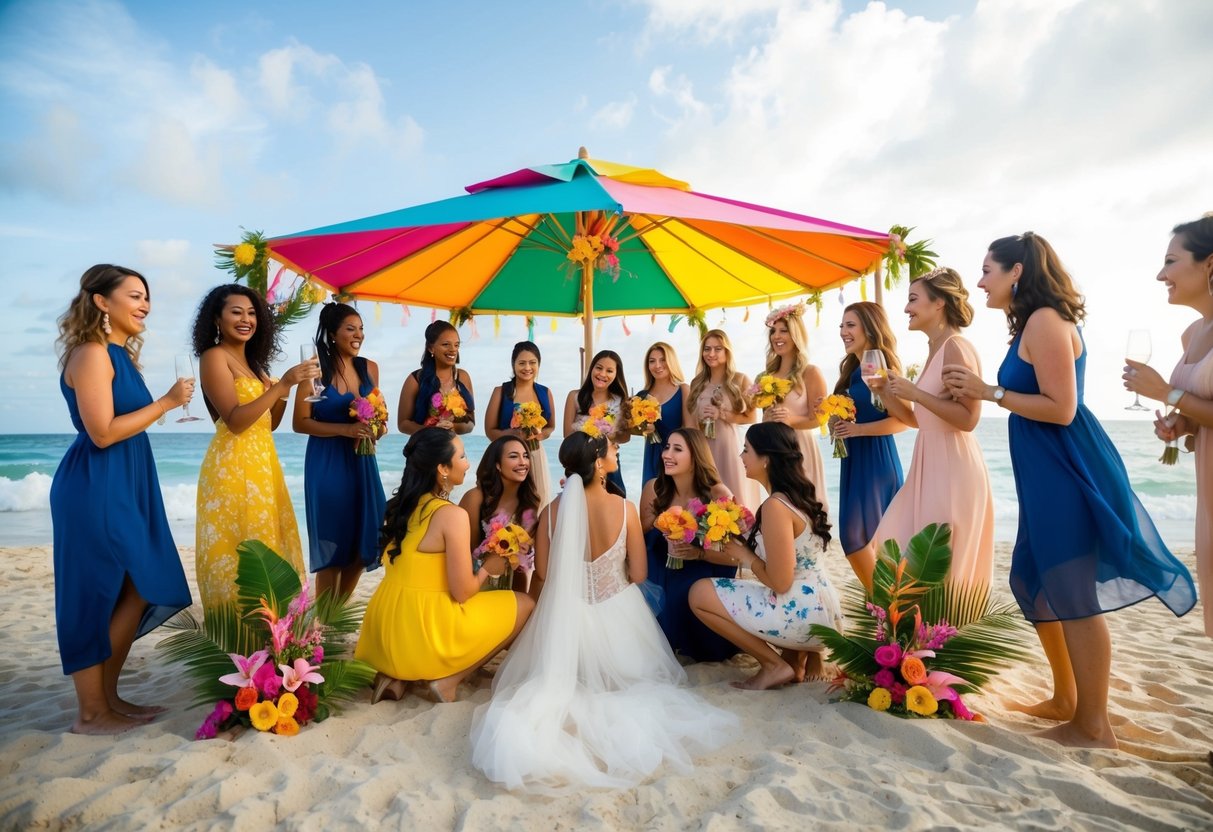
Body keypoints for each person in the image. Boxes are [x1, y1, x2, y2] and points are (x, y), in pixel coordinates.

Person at [943, 231, 1196, 749]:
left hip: (1066, 466)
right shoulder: (1030, 324)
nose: (980, 281)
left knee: (1073, 590)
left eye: (988, 270)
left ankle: (1093, 726)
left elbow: (1062, 408)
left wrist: (988, 392)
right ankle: (1065, 699)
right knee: (1034, 579)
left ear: (1017, 272)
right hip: (1043, 469)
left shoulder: (1046, 320)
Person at [469, 433, 737, 793]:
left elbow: (545, 573)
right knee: (638, 686)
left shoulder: (550, 512)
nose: (615, 453)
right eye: (610, 450)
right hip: (620, 620)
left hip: (568, 624)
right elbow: (640, 574)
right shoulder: (623, 507)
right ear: (597, 463)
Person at [51, 264, 193, 734]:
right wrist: (168, 404)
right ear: (101, 302)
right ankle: (91, 713)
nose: (145, 304)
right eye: (134, 295)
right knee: (93, 593)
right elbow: (102, 432)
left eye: (146, 297)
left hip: (128, 483)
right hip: (96, 485)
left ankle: (107, 698)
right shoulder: (91, 353)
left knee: (138, 584)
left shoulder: (119, 355)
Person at [356, 428, 534, 704]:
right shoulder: (452, 515)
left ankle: (395, 676)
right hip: (426, 630)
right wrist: (490, 566)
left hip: (384, 628)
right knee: (525, 604)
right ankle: (449, 681)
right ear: (442, 468)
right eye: (462, 456)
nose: (467, 463)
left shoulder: (405, 505)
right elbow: (462, 591)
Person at [865, 268, 995, 593]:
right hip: (929, 465)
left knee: (938, 571)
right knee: (894, 540)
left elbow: (968, 418)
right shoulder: (934, 349)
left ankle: (937, 639)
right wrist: (884, 391)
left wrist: (916, 393)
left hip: (952, 470)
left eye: (913, 299)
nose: (907, 308)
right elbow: (917, 420)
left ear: (938, 303)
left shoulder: (956, 347)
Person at [191, 284, 317, 613]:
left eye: (251, 313)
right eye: (236, 312)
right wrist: (283, 385)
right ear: (217, 319)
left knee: (268, 550)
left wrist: (288, 390)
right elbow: (234, 420)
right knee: (239, 555)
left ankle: (273, 641)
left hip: (263, 466)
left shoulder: (254, 365)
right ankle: (241, 642)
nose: (246, 319)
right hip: (231, 467)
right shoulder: (213, 357)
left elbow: (270, 422)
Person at [688, 423, 842, 690]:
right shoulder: (795, 497)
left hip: (804, 614)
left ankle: (773, 665)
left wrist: (746, 556)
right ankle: (796, 658)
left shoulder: (775, 506)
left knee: (699, 593)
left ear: (767, 459)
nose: (741, 457)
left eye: (746, 450)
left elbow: (780, 583)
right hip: (823, 610)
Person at [1124, 214, 1213, 638]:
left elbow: (1178, 393)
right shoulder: (1192, 333)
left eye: (1172, 261)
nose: (1162, 274)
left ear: (1209, 264)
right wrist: (1184, 426)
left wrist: (1168, 394)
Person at [293, 302, 387, 601]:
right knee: (333, 543)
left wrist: (378, 428)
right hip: (327, 463)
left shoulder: (369, 368)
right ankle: (323, 623)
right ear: (333, 334)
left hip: (363, 462)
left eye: (361, 329)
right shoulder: (314, 369)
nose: (358, 335)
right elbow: (300, 422)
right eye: (351, 328)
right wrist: (345, 430)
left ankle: (334, 616)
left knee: (367, 541)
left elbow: (380, 415)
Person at [639, 428, 738, 662]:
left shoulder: (718, 493)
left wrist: (698, 553)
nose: (666, 454)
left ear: (695, 458)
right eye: (666, 447)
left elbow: (736, 556)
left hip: (702, 565)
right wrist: (665, 520)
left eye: (677, 449)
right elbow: (642, 531)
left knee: (686, 603)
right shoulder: (654, 487)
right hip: (661, 562)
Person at [831, 302, 906, 581]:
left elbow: (904, 420)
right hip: (854, 460)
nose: (843, 332)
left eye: (850, 325)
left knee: (857, 538)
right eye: (842, 325)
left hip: (877, 460)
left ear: (870, 328)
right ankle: (886, 608)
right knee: (859, 539)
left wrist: (858, 431)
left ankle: (885, 607)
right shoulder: (852, 370)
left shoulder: (884, 367)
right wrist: (834, 418)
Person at [759, 303, 831, 519]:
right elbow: (763, 417)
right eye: (773, 331)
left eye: (784, 330)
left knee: (807, 509)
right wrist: (767, 418)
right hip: (775, 450)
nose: (777, 336)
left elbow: (819, 418)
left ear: (796, 334)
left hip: (801, 448)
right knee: (781, 508)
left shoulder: (811, 373)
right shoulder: (766, 376)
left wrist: (791, 420)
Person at [684, 329, 759, 509]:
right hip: (703, 449)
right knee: (706, 500)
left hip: (729, 447)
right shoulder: (696, 383)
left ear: (727, 351)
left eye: (718, 349)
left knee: (734, 500)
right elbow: (691, 422)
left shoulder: (740, 380)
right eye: (707, 349)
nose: (711, 354)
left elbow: (751, 417)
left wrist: (722, 415)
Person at [460, 436, 542, 593]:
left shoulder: (530, 503)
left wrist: (523, 550)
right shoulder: (475, 498)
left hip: (511, 585)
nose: (523, 462)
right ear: (497, 465)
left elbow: (521, 565)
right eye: (513, 456)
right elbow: (466, 552)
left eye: (525, 456)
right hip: (475, 584)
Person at [483, 341, 556, 505]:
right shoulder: (501, 392)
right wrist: (512, 434)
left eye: (532, 363)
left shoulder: (544, 392)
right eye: (521, 363)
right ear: (513, 364)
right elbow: (489, 430)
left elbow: (551, 426)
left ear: (539, 364)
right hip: (507, 457)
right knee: (508, 502)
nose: (527, 367)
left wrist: (541, 434)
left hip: (536, 455)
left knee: (538, 501)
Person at [562, 349, 631, 496]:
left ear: (616, 375)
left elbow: (626, 437)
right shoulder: (575, 396)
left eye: (609, 370)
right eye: (599, 368)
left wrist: (606, 436)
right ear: (592, 368)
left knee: (616, 505)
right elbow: (567, 435)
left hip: (609, 462)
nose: (602, 374)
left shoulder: (620, 401)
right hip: (580, 464)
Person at [397, 320, 475, 435]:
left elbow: (471, 423)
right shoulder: (415, 379)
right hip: (424, 448)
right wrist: (430, 430)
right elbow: (403, 424)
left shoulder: (462, 377)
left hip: (452, 449)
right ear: (431, 348)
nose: (453, 349)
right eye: (446, 344)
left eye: (456, 345)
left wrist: (454, 427)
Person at [637, 342, 689, 486]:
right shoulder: (641, 396)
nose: (657, 365)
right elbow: (632, 429)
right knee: (651, 501)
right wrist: (644, 429)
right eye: (652, 361)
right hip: (652, 457)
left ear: (671, 361)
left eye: (663, 360)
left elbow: (690, 429)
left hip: (676, 458)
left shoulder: (683, 390)